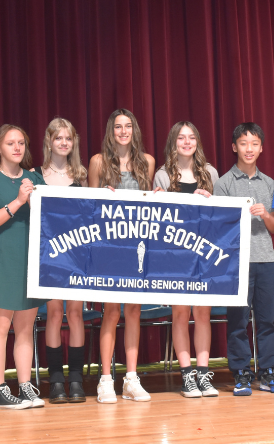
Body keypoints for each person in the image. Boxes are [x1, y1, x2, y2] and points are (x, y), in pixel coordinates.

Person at [0, 124, 47, 409]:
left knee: (25, 328)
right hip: (1, 260)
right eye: (10, 143)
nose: (17, 148)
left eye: (21, 143)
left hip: (29, 260)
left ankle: (25, 385)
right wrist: (18, 201)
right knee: (0, 327)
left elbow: (56, 211)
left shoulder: (35, 177)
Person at [88, 108, 156, 403]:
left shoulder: (148, 162)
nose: (123, 131)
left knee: (134, 312)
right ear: (110, 131)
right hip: (110, 247)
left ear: (135, 130)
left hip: (138, 247)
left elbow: (149, 205)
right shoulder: (98, 162)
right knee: (112, 312)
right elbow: (90, 206)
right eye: (118, 127)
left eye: (128, 126)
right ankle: (106, 379)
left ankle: (130, 378)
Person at [216, 122, 274, 396]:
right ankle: (241, 372)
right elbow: (220, 227)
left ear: (261, 148)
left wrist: (265, 215)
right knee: (238, 321)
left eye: (254, 144)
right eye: (244, 143)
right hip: (236, 263)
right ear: (235, 147)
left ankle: (269, 371)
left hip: (266, 260)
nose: (249, 149)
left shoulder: (269, 183)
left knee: (268, 320)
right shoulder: (223, 183)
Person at [152, 121, 220, 398]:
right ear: (173, 142)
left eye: (192, 137)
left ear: (197, 142)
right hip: (176, 254)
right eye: (181, 138)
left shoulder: (210, 173)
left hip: (204, 254)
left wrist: (211, 199)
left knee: (202, 313)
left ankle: (203, 374)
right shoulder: (162, 175)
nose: (187, 142)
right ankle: (186, 376)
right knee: (180, 313)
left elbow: (219, 217)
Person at [34, 117, 89, 403]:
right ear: (49, 141)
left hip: (77, 255)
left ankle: (77, 379)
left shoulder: (81, 175)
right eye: (58, 138)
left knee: (76, 314)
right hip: (50, 256)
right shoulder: (35, 174)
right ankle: (56, 379)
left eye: (68, 138)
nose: (63, 143)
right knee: (54, 314)